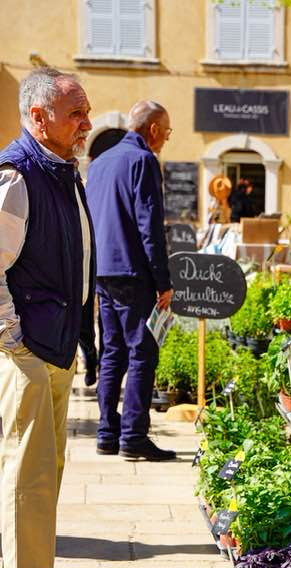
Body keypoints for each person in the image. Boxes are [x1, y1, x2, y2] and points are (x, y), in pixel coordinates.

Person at [0, 67, 95, 568]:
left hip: (54, 343)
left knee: (43, 467)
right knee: (28, 471)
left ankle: (23, 565)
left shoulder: (61, 171)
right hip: (28, 347)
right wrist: (12, 338)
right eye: (76, 113)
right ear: (39, 117)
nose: (86, 122)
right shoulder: (17, 176)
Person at [86, 101, 175, 461]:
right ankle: (134, 437)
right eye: (166, 132)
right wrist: (163, 281)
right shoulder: (143, 161)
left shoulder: (102, 161)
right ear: (152, 129)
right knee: (143, 352)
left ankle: (107, 433)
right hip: (133, 272)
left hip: (103, 271)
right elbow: (149, 226)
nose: (166, 139)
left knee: (112, 352)